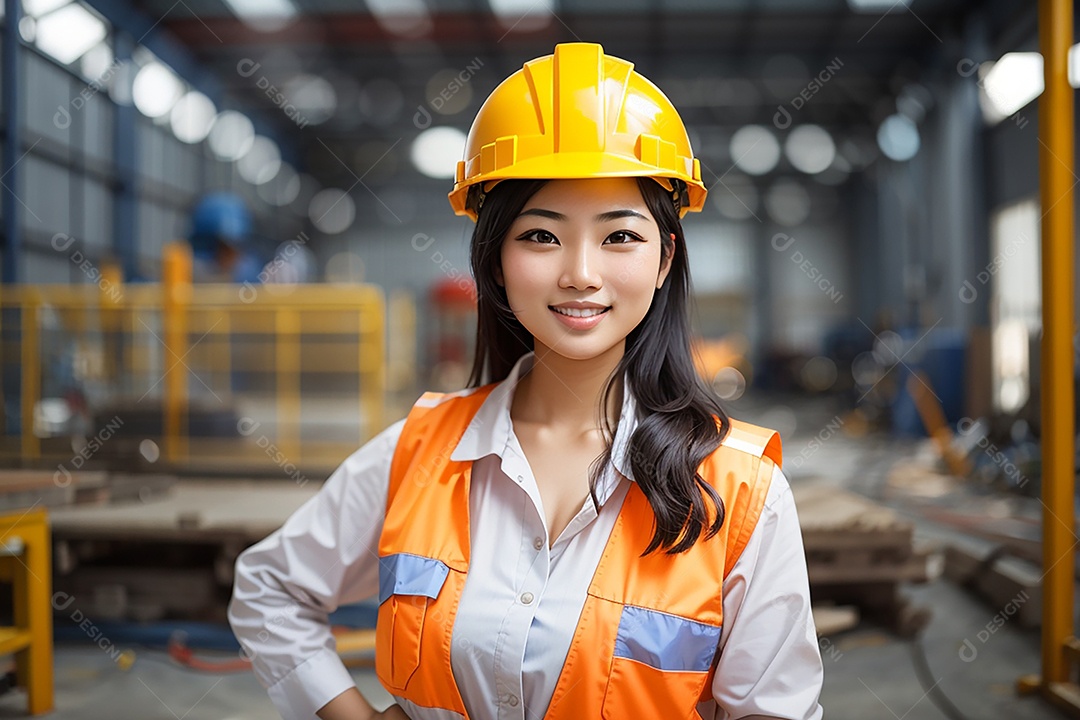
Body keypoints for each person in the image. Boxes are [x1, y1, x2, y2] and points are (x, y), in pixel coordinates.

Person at [229, 42, 824, 720]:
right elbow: (269, 589)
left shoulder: (740, 492)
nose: (580, 273)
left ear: (665, 259)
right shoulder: (422, 453)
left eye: (620, 236)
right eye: (541, 236)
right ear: (496, 261)